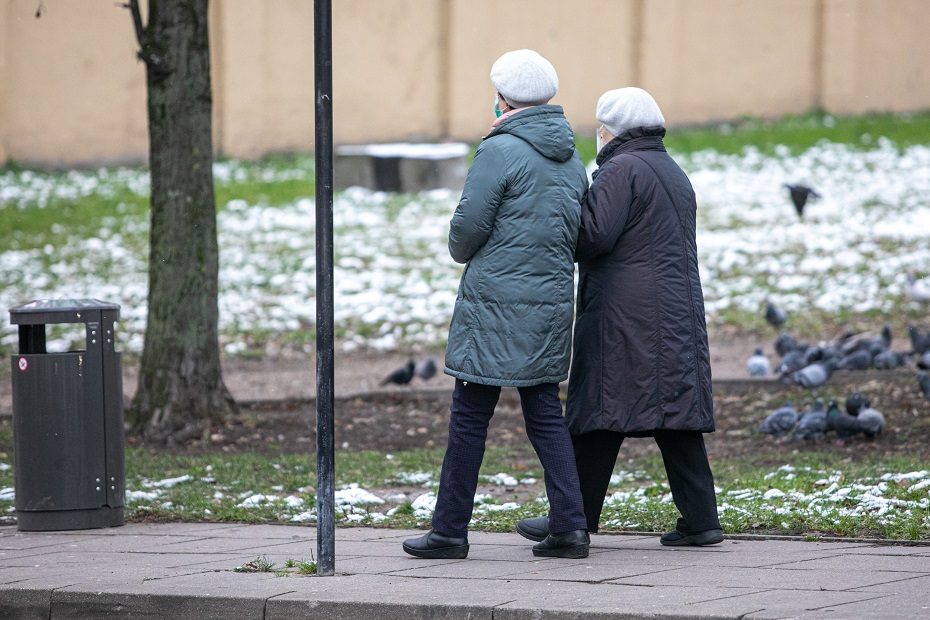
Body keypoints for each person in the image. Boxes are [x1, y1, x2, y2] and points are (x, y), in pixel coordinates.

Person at [402, 49, 590, 560]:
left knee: (469, 416)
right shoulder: (572, 158)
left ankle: (448, 531)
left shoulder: (499, 151)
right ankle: (572, 527)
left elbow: (466, 232)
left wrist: (462, 247)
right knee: (545, 413)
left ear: (503, 99)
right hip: (549, 306)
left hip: (493, 307)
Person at [516, 87, 723, 547]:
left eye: (600, 129)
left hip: (624, 317)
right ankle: (701, 519)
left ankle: (570, 518)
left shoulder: (621, 169)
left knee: (597, 416)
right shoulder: (670, 169)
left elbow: (593, 236)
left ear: (609, 131)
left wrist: (562, 211)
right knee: (678, 420)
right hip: (675, 312)